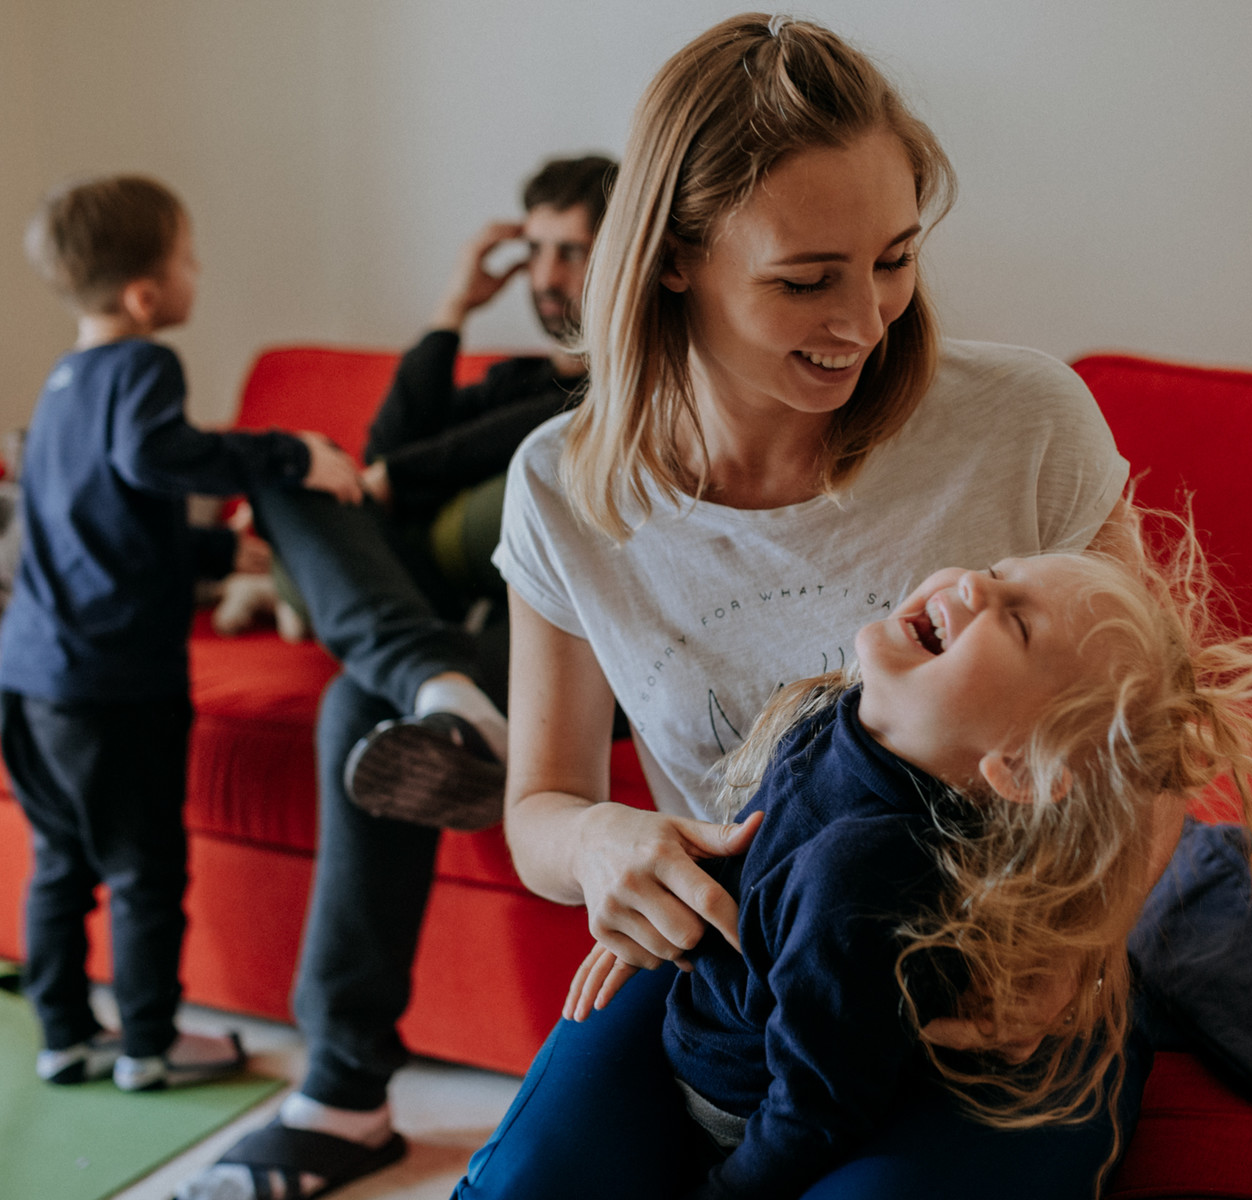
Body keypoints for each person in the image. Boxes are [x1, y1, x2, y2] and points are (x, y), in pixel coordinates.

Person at [461, 14, 1156, 1197]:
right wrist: (596, 839)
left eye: (895, 258)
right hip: (733, 970)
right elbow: (540, 805)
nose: (868, 319)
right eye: (805, 280)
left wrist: (1070, 957)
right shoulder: (562, 489)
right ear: (672, 259)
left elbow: (1152, 730)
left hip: (993, 975)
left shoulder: (1028, 420)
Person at [566, 524, 1252, 1199]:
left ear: (1016, 768)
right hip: (724, 1023)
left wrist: (728, 1192)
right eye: (999, 573)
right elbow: (753, 855)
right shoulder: (832, 718)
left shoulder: (861, 876)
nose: (973, 584)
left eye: (1016, 624)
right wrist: (660, 911)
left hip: (741, 1106)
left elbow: (819, 1099)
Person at [181, 155, 618, 1199]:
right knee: (280, 459)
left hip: (543, 650)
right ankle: (431, 684)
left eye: (572, 248)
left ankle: (342, 1096)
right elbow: (372, 453)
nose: (549, 271)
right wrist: (449, 310)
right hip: (446, 634)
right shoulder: (512, 369)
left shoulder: (635, 381)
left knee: (354, 697)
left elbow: (515, 450)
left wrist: (390, 478)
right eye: (537, 249)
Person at [0, 174, 353, 1092]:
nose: (198, 272)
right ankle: (150, 1045)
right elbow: (153, 456)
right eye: (188, 258)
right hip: (114, 687)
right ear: (144, 295)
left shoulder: (62, 383)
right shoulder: (146, 366)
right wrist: (286, 454)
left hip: (28, 678)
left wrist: (214, 556)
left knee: (60, 865)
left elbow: (104, 523)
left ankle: (64, 1035)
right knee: (146, 867)